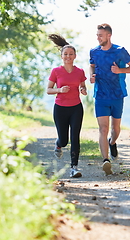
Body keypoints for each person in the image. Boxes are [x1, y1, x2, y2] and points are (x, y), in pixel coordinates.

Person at [89, 23, 130, 175]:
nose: (98, 38)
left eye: (100, 35)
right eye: (97, 35)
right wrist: (92, 75)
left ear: (109, 35)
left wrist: (120, 70)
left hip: (117, 95)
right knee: (103, 128)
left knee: (115, 130)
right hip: (101, 95)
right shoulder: (94, 52)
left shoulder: (120, 51)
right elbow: (92, 65)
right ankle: (105, 160)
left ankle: (113, 142)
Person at [47, 34, 87, 178]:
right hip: (60, 108)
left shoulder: (80, 71)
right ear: (61, 56)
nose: (68, 56)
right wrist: (59, 90)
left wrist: (83, 90)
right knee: (64, 140)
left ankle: (74, 168)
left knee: (75, 137)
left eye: (71, 54)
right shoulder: (56, 71)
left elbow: (83, 85)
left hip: (76, 107)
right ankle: (58, 144)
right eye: (65, 54)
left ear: (75, 56)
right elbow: (48, 90)